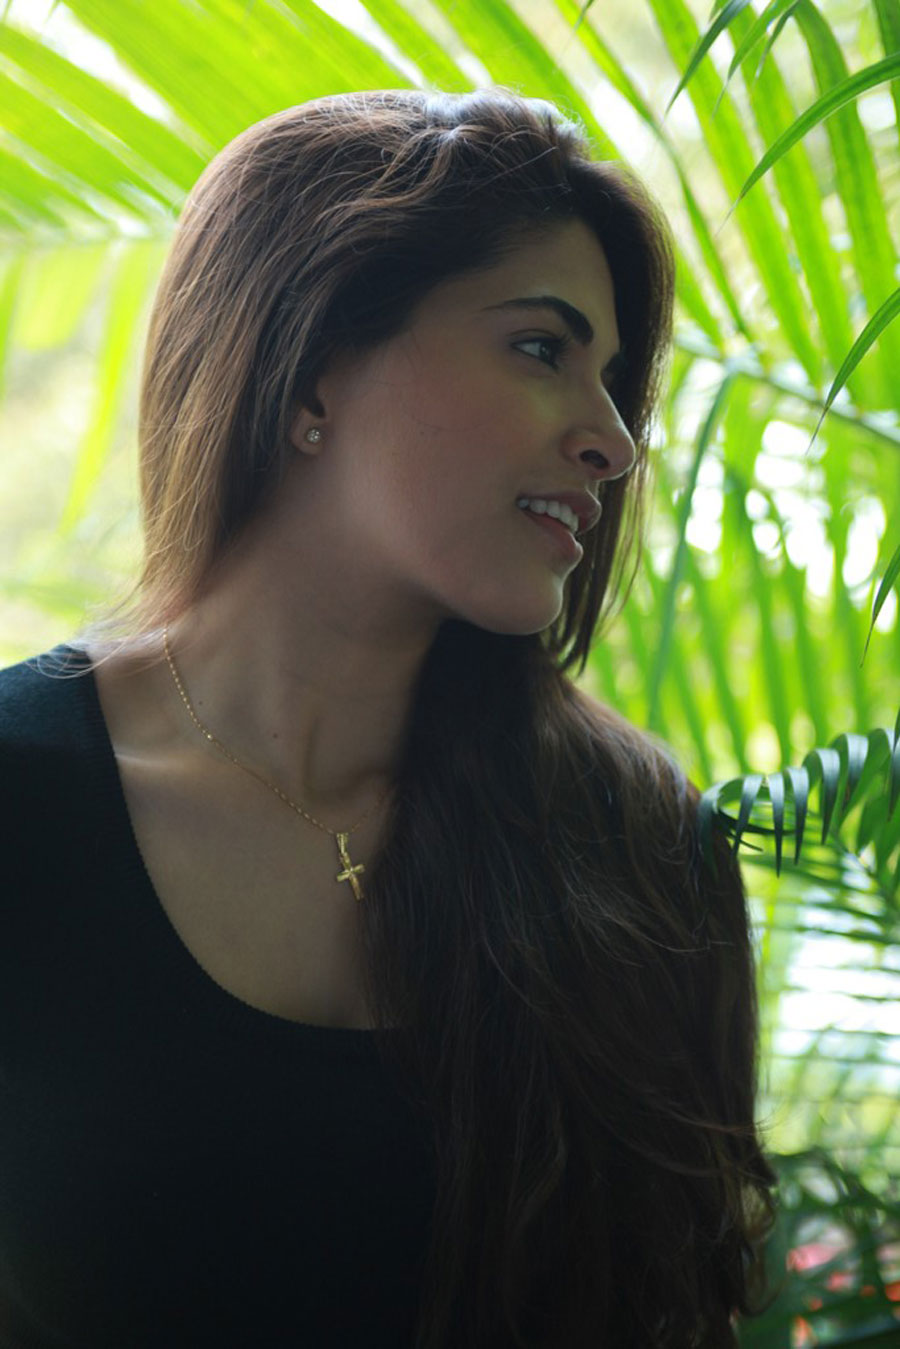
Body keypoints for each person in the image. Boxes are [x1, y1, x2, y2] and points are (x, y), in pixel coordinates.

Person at [0, 87, 779, 1348]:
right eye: (544, 348)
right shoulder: (21, 801)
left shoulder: (643, 848)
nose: (614, 442)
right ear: (311, 363)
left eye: (615, 381)